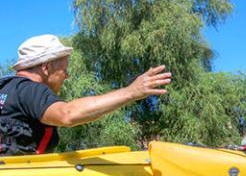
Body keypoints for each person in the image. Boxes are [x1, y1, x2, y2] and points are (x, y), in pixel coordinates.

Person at [0, 34, 171, 156]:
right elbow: (67, 115)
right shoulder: (30, 89)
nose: (66, 76)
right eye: (64, 69)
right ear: (46, 68)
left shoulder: (6, 89)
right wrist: (131, 92)